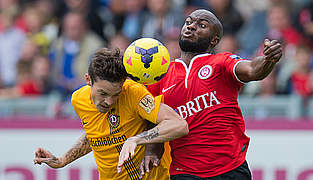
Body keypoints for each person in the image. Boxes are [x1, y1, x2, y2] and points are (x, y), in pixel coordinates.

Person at [146, 9, 282, 180]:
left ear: (214, 40)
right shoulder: (162, 75)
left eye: (202, 25)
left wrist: (268, 59)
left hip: (229, 168)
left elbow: (253, 70)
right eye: (188, 22)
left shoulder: (221, 62)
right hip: (184, 171)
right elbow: (150, 114)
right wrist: (151, 150)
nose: (191, 27)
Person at [34, 47, 189, 180]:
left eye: (116, 94)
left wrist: (137, 139)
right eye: (103, 93)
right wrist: (62, 160)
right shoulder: (78, 100)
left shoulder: (133, 92)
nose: (109, 101)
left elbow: (179, 125)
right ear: (88, 80)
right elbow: (96, 134)